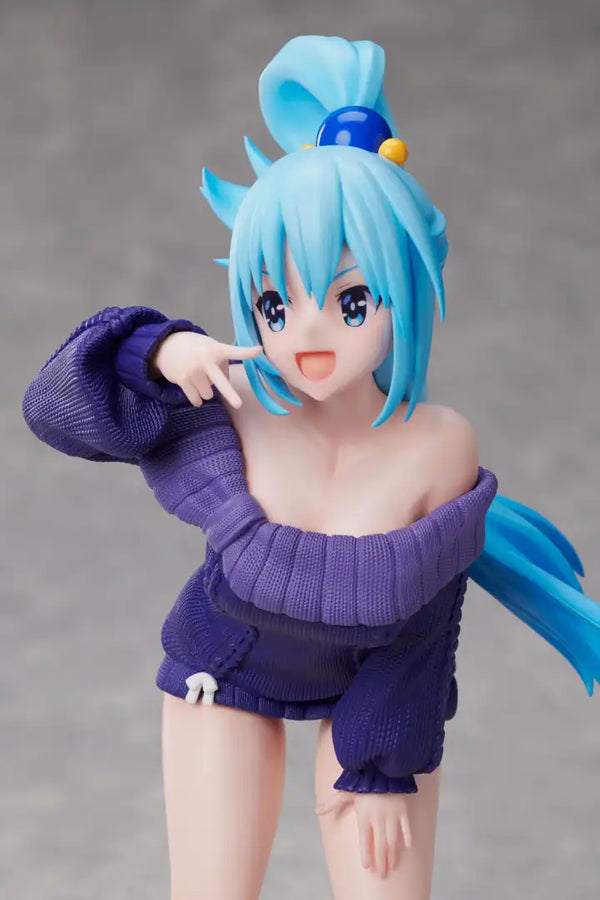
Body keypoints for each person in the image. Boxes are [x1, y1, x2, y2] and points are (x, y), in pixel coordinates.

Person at [23, 34, 599, 900]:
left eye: (352, 299)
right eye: (273, 302)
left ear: (406, 290)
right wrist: (156, 351)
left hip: (374, 692)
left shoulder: (438, 444)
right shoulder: (235, 403)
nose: (309, 334)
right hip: (224, 671)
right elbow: (55, 408)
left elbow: (423, 629)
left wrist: (381, 764)